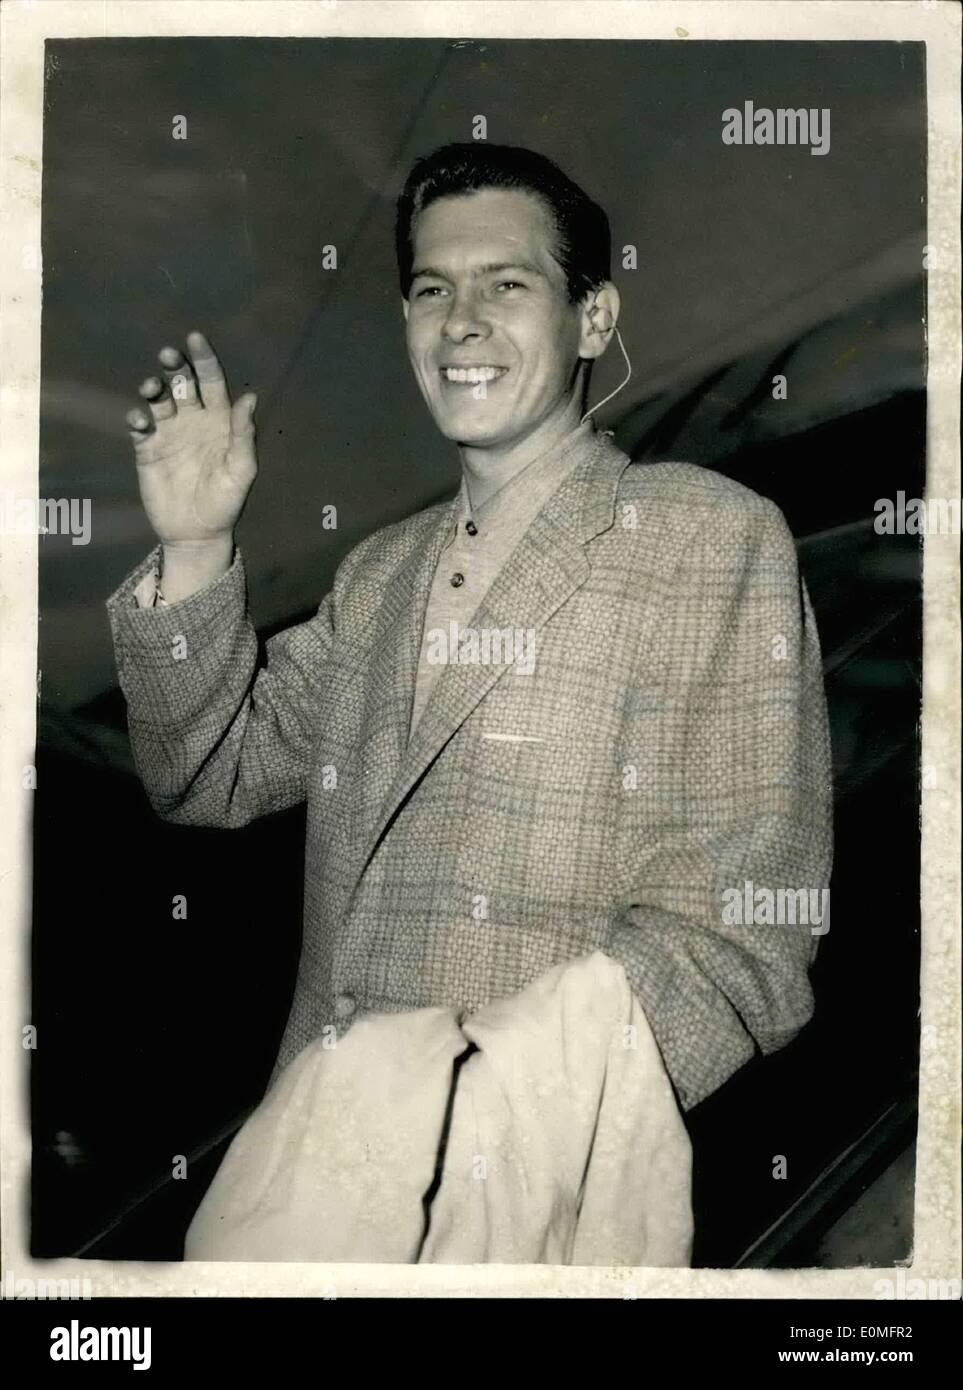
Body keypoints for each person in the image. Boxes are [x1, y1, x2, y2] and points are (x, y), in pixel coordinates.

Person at [108, 142, 833, 1112]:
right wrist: (196, 546)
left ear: (593, 318)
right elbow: (208, 773)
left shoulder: (706, 537)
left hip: (531, 1198)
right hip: (309, 1180)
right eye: (430, 289)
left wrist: (481, 1113)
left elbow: (741, 941)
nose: (462, 323)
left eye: (507, 283)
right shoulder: (377, 574)